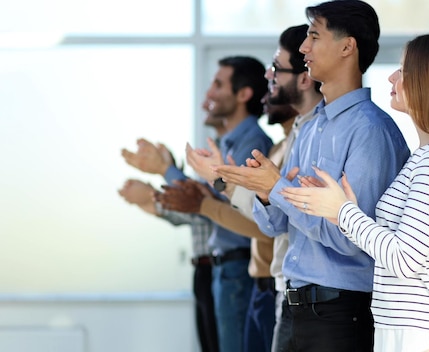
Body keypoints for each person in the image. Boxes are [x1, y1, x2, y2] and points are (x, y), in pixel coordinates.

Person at [279, 34, 429, 352]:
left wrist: (343, 212)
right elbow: (398, 246)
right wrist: (340, 210)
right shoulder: (427, 157)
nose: (392, 77)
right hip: (410, 329)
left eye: (404, 71)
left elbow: (404, 259)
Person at [213, 2, 411, 351]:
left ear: (347, 47)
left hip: (340, 312)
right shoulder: (310, 126)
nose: (304, 47)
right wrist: (265, 192)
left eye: (314, 36)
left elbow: (352, 238)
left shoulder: (370, 131)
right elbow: (275, 224)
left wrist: (278, 189)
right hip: (293, 306)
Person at [156, 99, 299, 352]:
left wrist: (207, 192)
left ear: (243, 94)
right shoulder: (276, 145)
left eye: (218, 86)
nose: (208, 97)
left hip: (251, 274)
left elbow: (262, 223)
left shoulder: (256, 144)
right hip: (252, 278)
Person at [118, 147, 219, 352]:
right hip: (204, 269)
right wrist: (151, 200)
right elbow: (193, 215)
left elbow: (204, 211)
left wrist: (154, 194)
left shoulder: (222, 154)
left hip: (218, 268)